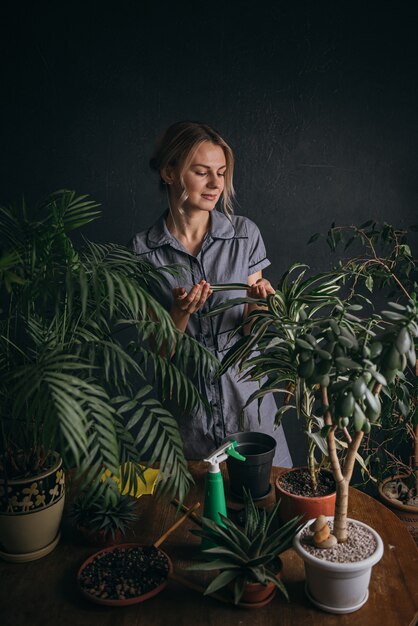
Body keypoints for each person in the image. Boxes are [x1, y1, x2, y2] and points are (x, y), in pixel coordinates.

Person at [131, 121, 292, 467]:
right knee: (193, 512)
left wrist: (260, 307)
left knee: (264, 508)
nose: (216, 183)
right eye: (202, 172)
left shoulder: (244, 235)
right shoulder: (143, 252)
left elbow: (251, 336)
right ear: (169, 173)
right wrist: (179, 312)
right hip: (187, 414)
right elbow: (158, 355)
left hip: (247, 402)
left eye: (220, 172)